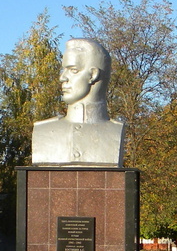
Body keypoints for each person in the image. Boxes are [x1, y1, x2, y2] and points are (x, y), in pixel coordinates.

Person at [31, 38, 125, 166]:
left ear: (93, 75)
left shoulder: (115, 131)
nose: (62, 78)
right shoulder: (43, 131)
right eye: (64, 70)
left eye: (73, 70)